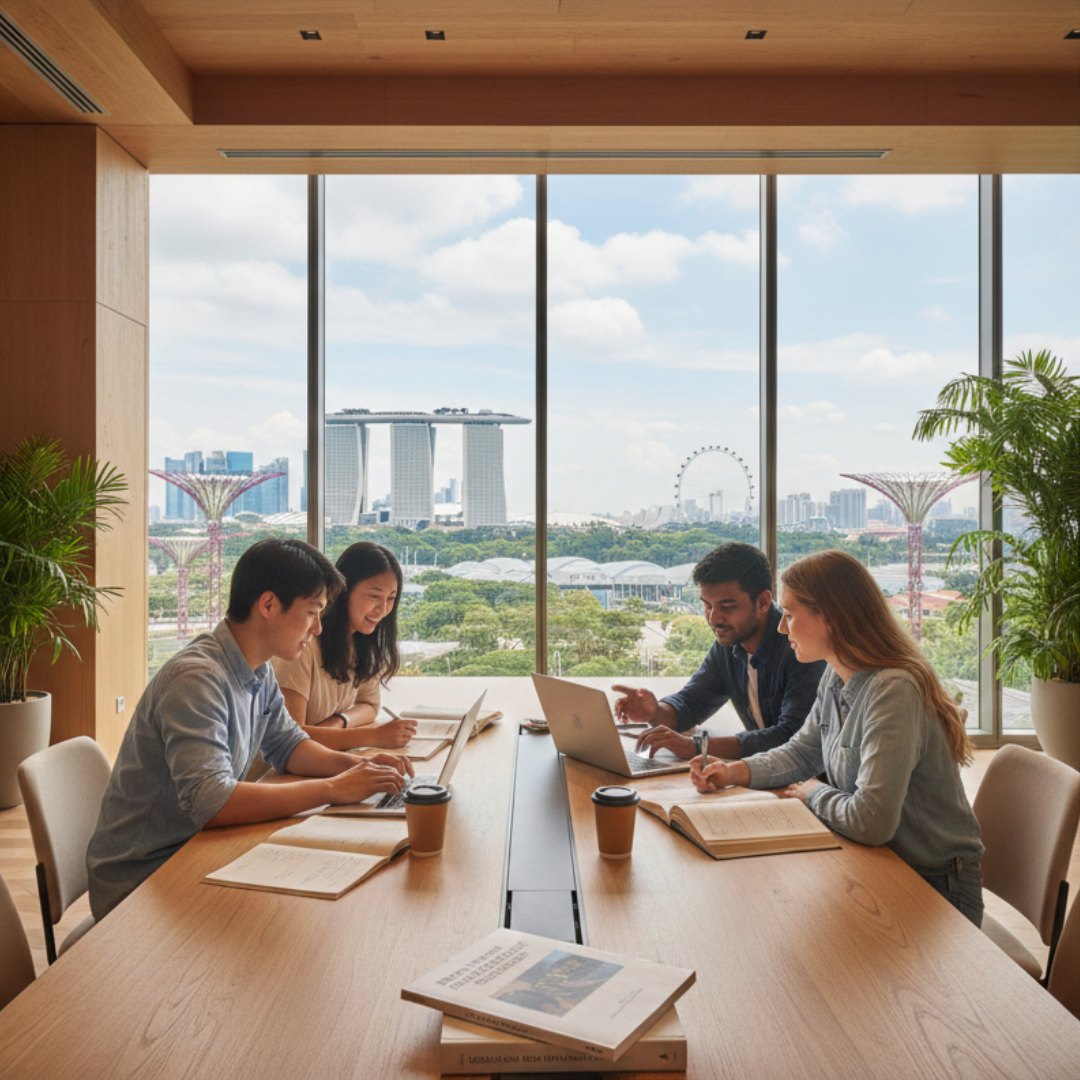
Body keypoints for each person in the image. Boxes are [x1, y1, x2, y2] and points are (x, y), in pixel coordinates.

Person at [86, 538, 414, 921]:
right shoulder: (196, 678)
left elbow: (290, 744)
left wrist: (359, 769)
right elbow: (211, 800)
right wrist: (331, 790)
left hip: (196, 848)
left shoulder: (256, 669)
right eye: (312, 613)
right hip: (143, 876)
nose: (319, 628)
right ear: (269, 605)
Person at [690, 549, 984, 926]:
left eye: (791, 615)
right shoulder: (836, 673)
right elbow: (802, 752)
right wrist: (733, 772)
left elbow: (871, 822)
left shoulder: (893, 690)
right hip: (878, 864)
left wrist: (811, 791)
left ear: (831, 617)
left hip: (932, 884)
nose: (781, 627)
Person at [613, 542, 825, 761]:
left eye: (727, 607)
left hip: (813, 785)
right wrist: (655, 711)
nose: (713, 619)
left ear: (763, 602)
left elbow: (793, 738)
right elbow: (692, 703)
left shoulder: (800, 647)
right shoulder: (730, 643)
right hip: (769, 776)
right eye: (707, 605)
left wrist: (698, 747)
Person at [272, 542, 417, 752]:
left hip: (317, 764)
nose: (383, 609)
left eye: (391, 598)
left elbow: (369, 705)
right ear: (343, 590)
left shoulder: (361, 641)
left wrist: (340, 721)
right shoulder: (303, 645)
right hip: (275, 775)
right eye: (374, 596)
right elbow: (290, 739)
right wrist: (373, 736)